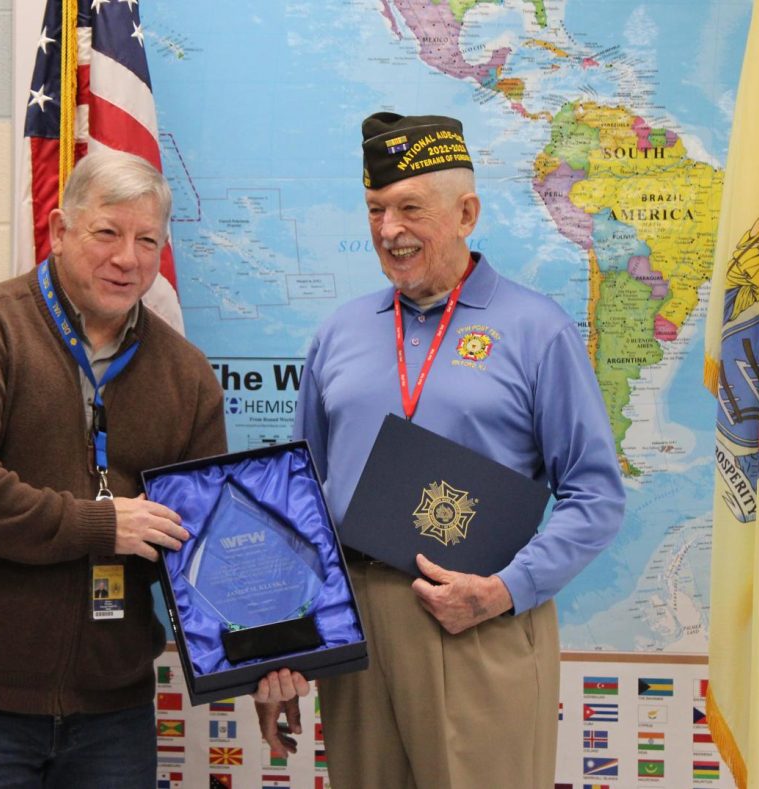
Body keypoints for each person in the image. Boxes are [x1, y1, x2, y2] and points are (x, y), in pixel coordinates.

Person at [254, 113, 626, 788]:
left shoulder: (537, 330)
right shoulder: (338, 333)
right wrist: (283, 645)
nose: (389, 230)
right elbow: (297, 497)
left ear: (466, 213)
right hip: (358, 629)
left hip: (481, 624)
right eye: (376, 209)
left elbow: (596, 495)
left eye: (409, 209)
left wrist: (504, 590)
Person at [0, 149, 227, 788]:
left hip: (113, 709)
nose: (126, 258)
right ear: (58, 230)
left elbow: (206, 534)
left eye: (146, 240)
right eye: (107, 232)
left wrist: (265, 648)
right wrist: (100, 526)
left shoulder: (186, 376)